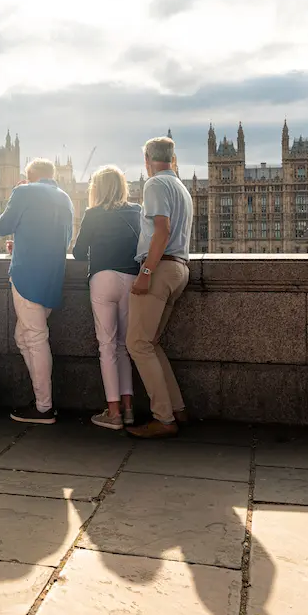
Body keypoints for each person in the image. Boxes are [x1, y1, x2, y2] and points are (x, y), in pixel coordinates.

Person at [0, 159, 74, 425]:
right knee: (23, 336)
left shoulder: (24, 191)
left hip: (27, 275)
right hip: (53, 276)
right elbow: (64, 239)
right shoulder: (65, 198)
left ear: (29, 177)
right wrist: (21, 243)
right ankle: (41, 398)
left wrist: (15, 194)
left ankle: (43, 407)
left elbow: (2, 226)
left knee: (37, 338)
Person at [126, 136, 193, 438]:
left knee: (137, 344)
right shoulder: (181, 187)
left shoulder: (154, 184)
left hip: (161, 267)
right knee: (151, 343)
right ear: (172, 158)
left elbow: (161, 231)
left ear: (147, 160)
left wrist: (146, 272)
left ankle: (164, 419)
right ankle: (177, 409)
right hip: (180, 268)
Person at [72, 165, 141, 430]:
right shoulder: (136, 211)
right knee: (125, 346)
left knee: (107, 346)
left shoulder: (92, 213)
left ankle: (112, 413)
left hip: (103, 279)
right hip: (132, 280)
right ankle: (129, 409)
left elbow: (78, 252)